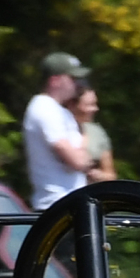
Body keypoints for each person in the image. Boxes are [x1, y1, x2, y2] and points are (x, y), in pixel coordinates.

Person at [21, 51, 93, 207]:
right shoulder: (43, 107)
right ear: (55, 81)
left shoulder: (61, 111)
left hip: (69, 204)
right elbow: (77, 160)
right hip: (54, 206)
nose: (77, 84)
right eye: (72, 78)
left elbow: (82, 155)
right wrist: (82, 157)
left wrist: (82, 156)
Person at [71, 80, 116, 181]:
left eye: (95, 104)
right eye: (89, 105)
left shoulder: (97, 132)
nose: (95, 109)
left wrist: (98, 175)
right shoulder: (59, 129)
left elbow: (110, 174)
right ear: (74, 105)